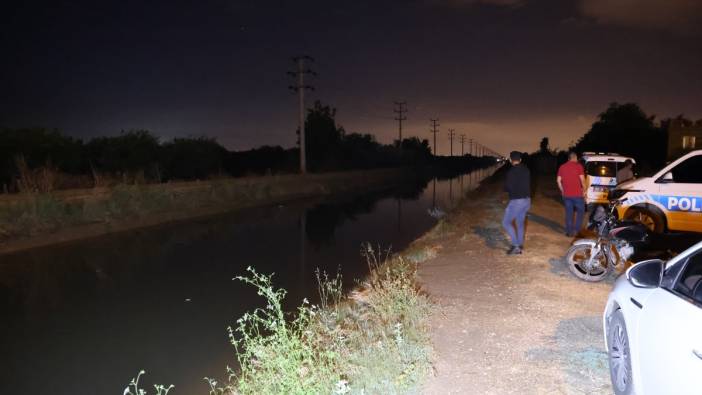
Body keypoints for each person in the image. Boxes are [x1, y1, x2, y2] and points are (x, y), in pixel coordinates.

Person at [502, 151, 531, 255]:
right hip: (527, 200)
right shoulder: (526, 169)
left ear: (510, 160)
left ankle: (515, 246)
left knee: (505, 223)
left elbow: (507, 187)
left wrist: (507, 188)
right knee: (520, 223)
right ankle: (520, 244)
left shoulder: (511, 172)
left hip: (517, 201)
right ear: (520, 160)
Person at [557, 152, 586, 237]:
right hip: (578, 195)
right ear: (575, 158)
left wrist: (562, 190)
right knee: (580, 212)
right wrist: (584, 191)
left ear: (568, 158)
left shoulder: (562, 167)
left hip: (567, 195)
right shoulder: (578, 166)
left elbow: (558, 181)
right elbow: (583, 181)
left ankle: (569, 232)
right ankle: (576, 230)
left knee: (569, 213)